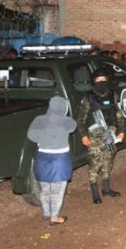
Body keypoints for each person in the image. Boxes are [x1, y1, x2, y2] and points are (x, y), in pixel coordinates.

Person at [78, 68, 125, 204]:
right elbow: (81, 119)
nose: (101, 82)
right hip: (94, 134)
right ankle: (95, 193)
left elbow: (119, 114)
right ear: (93, 81)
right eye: (98, 80)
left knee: (108, 160)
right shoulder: (88, 97)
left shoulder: (112, 95)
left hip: (110, 132)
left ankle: (106, 188)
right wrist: (83, 136)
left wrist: (121, 131)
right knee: (95, 163)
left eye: (103, 79)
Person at [27, 96, 77, 225]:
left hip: (42, 158)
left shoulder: (39, 120)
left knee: (44, 189)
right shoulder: (67, 121)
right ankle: (54, 218)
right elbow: (73, 128)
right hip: (59, 160)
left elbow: (31, 135)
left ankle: (46, 213)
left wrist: (43, 139)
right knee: (57, 191)